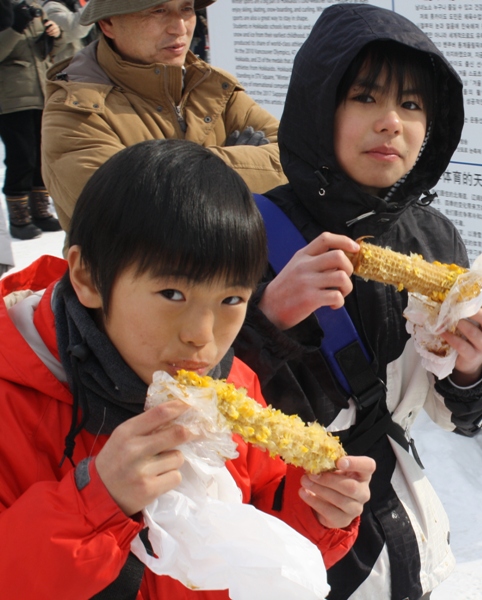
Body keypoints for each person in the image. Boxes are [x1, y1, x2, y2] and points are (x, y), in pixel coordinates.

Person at [0, 138, 375, 598]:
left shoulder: (235, 380)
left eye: (231, 300)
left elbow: (254, 526)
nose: (203, 335)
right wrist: (95, 501)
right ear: (88, 278)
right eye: (172, 295)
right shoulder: (11, 400)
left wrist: (316, 511)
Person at [233, 5, 482, 599]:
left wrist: (471, 366)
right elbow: (189, 399)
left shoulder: (434, 238)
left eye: (412, 105)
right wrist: (266, 320)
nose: (391, 123)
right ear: (319, 106)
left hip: (403, 531)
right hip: (282, 525)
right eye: (364, 97)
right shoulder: (244, 233)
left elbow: (467, 417)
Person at [41, 0, 287, 233]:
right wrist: (228, 168)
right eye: (157, 11)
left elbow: (296, 160)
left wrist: (180, 177)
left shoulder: (212, 86)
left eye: (186, 8)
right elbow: (132, 218)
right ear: (108, 24)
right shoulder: (75, 109)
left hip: (240, 270)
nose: (179, 27)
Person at [0, 0, 62, 239]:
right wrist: (15, 27)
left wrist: (53, 35)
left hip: (42, 92)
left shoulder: (33, 6)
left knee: (41, 154)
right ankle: (19, 217)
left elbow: (46, 54)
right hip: (12, 97)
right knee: (22, 156)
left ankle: (40, 212)